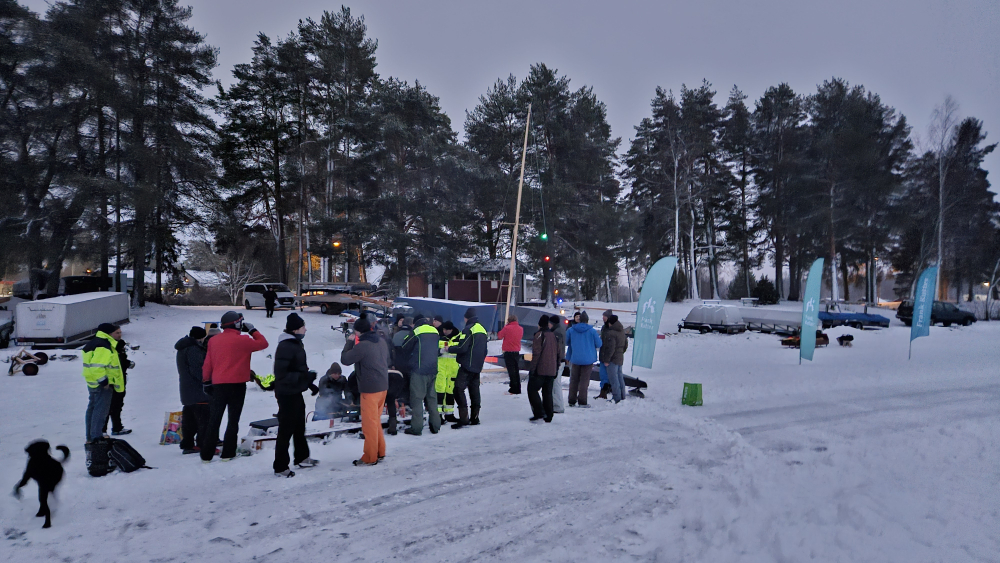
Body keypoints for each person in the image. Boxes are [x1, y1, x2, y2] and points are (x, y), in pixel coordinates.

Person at [201, 311, 268, 462]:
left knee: (214, 420)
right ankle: (228, 453)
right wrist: (252, 330)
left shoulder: (213, 341)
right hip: (237, 385)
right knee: (233, 420)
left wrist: (206, 381)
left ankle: (206, 455)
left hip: (218, 385)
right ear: (237, 324)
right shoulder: (244, 340)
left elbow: (208, 363)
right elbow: (263, 343)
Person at [272, 313, 319, 477]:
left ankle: (302, 457)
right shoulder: (286, 346)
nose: (305, 329)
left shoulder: (295, 343)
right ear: (295, 329)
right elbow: (281, 374)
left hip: (295, 391)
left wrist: (309, 383)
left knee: (299, 427)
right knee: (286, 430)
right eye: (303, 327)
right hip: (287, 394)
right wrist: (305, 377)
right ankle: (280, 466)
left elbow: (297, 369)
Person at [341, 316, 390, 466]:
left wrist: (349, 342)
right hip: (383, 386)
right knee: (375, 421)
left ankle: (370, 457)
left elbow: (345, 359)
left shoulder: (363, 346)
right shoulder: (381, 341)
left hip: (370, 389)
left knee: (369, 424)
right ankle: (380, 451)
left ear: (358, 331)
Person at [82, 323, 125, 443]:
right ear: (109, 333)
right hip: (102, 384)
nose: (119, 335)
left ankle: (91, 437)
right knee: (100, 411)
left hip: (92, 382)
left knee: (92, 409)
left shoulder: (93, 342)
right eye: (116, 332)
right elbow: (97, 367)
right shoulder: (104, 345)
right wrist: (104, 381)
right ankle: (96, 437)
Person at [446, 308, 488, 428]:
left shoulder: (468, 329)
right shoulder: (482, 329)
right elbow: (485, 350)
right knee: (474, 390)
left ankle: (464, 418)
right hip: (477, 365)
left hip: (467, 365)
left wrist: (448, 349)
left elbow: (462, 347)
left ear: (466, 318)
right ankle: (475, 417)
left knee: (458, 389)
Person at [175, 326, 212, 455]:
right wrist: (208, 381)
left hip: (187, 391)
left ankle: (188, 443)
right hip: (198, 391)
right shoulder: (193, 350)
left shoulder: (182, 348)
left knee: (189, 420)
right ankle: (203, 444)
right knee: (203, 420)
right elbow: (198, 370)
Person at [402, 315, 441, 436]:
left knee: (417, 399)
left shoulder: (417, 331)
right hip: (433, 369)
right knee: (432, 399)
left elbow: (405, 346)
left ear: (416, 323)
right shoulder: (435, 331)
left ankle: (416, 428)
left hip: (419, 371)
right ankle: (435, 426)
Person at [527, 315, 561, 423]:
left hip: (541, 369)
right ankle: (549, 414)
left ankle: (539, 412)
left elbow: (536, 354)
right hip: (552, 369)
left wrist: (533, 369)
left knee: (532, 389)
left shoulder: (539, 335)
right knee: (547, 392)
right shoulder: (554, 335)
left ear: (540, 325)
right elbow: (558, 353)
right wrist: (556, 368)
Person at [565, 311, 602, 407]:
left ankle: (571, 400)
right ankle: (582, 401)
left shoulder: (571, 330)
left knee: (574, 380)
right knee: (584, 381)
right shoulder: (592, 331)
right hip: (588, 360)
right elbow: (599, 344)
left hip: (575, 358)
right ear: (587, 320)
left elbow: (566, 342)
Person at [103, 336, 133, 436]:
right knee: (108, 406)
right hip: (110, 382)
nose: (119, 334)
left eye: (120, 332)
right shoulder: (107, 346)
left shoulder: (120, 345)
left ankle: (117, 427)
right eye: (117, 333)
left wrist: (127, 363)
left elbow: (121, 361)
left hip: (120, 380)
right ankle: (102, 430)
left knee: (117, 405)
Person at [602, 314, 628, 403]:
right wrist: (620, 352)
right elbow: (625, 345)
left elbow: (611, 348)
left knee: (613, 379)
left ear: (611, 323)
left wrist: (606, 360)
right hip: (620, 357)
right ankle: (622, 396)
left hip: (612, 359)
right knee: (620, 377)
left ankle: (617, 398)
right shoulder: (621, 331)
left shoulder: (611, 333)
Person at [436, 321, 460, 421]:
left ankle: (449, 414)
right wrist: (440, 351)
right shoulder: (438, 337)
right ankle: (438, 416)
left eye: (447, 330)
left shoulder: (458, 338)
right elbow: (432, 351)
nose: (445, 331)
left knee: (450, 392)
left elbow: (462, 351)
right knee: (439, 391)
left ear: (451, 329)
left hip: (453, 370)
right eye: (444, 329)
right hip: (440, 369)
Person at [497, 314, 524, 395]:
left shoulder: (507, 328)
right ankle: (518, 387)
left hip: (508, 351)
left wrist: (505, 327)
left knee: (511, 370)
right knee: (516, 370)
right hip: (516, 351)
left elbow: (500, 336)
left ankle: (513, 388)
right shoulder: (520, 329)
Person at [548, 315, 567, 414]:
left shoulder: (556, 333)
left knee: (556, 384)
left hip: (557, 361)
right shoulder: (560, 330)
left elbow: (557, 348)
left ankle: (558, 405)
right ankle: (556, 404)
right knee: (556, 383)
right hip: (560, 360)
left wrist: (556, 360)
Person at [595, 310, 614, 400]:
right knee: (603, 374)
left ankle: (610, 390)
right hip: (603, 355)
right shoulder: (604, 327)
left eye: (604, 316)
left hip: (609, 356)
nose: (603, 318)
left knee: (609, 375)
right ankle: (603, 392)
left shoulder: (612, 328)